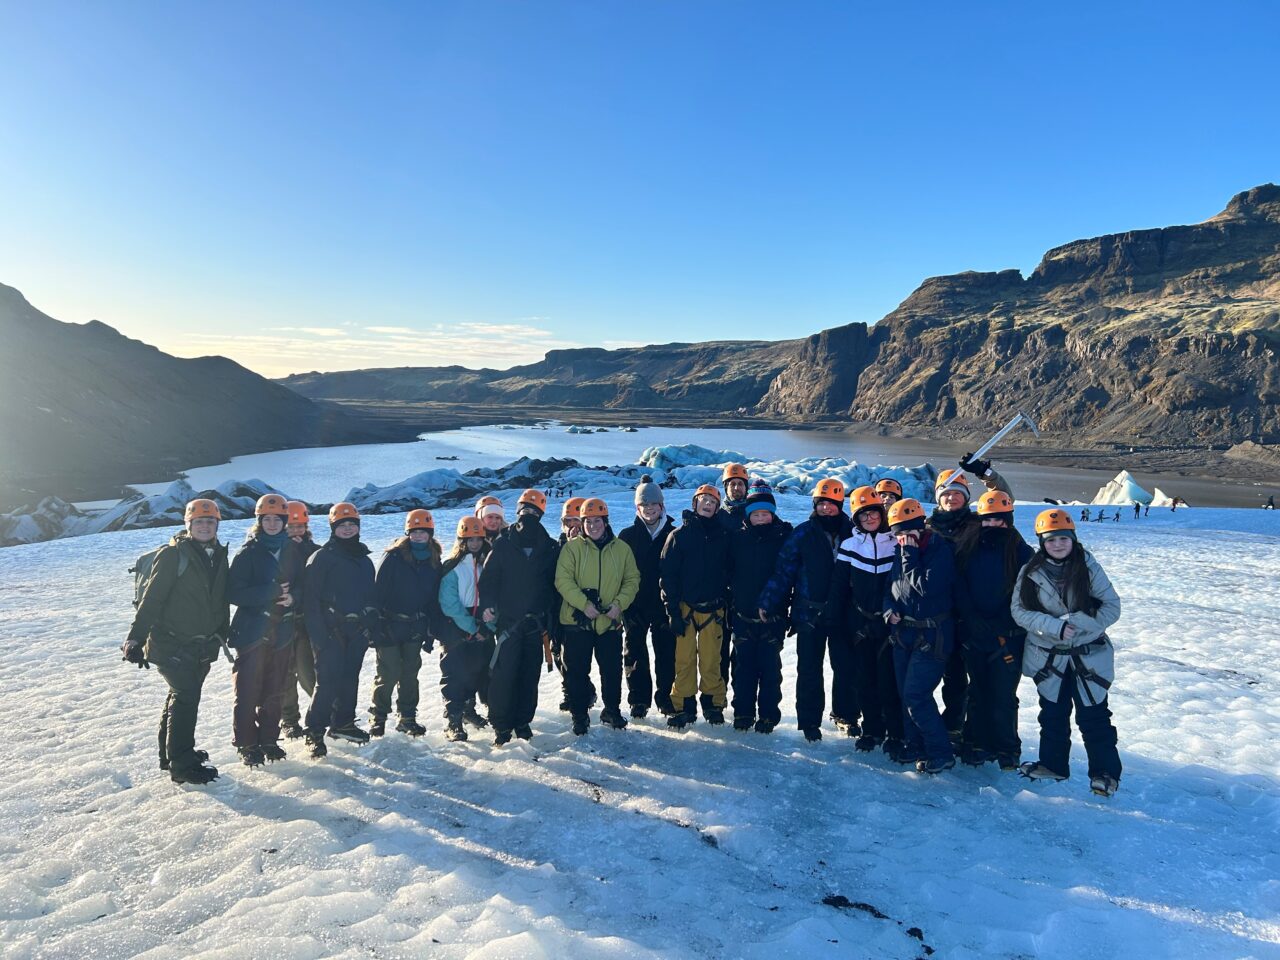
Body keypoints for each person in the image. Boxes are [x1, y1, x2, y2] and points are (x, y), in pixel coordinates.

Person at [1012, 509, 1123, 797]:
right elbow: (1019, 611)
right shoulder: (1030, 571)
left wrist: (1077, 625)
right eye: (1050, 540)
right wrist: (1053, 626)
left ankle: (1105, 773)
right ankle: (1053, 764)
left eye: (1063, 538)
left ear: (1072, 538)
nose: (1057, 544)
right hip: (1049, 657)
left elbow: (1111, 606)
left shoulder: (1087, 566)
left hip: (1088, 656)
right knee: (1052, 714)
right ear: (1041, 542)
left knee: (1094, 716)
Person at [123, 498, 229, 785]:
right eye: (199, 522)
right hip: (171, 643)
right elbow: (152, 600)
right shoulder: (173, 556)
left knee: (179, 696)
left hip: (200, 645)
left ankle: (170, 755)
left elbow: (217, 599)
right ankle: (181, 766)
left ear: (217, 525)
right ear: (189, 525)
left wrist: (224, 632)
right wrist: (135, 638)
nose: (205, 526)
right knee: (186, 697)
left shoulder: (217, 555)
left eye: (210, 521)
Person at [758, 477, 854, 742]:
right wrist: (769, 600)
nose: (826, 509)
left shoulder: (853, 532)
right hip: (807, 614)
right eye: (821, 504)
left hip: (843, 613)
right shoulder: (802, 533)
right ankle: (810, 722)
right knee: (809, 670)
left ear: (840, 504)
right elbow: (784, 571)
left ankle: (845, 715)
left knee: (844, 667)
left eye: (831, 504)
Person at [928, 459, 1013, 741]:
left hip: (972, 612)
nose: (952, 497)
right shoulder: (928, 527)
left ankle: (969, 729)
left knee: (973, 675)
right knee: (948, 672)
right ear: (938, 497)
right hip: (938, 612)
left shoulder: (978, 524)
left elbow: (1004, 500)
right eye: (946, 493)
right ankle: (950, 723)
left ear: (966, 498)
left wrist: (986, 474)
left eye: (958, 493)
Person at [954, 490, 1033, 770]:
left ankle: (1007, 747)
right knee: (977, 691)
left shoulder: (1022, 551)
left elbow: (1026, 593)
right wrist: (971, 618)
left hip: (1008, 636)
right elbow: (959, 585)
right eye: (988, 520)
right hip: (975, 633)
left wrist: (1003, 621)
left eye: (999, 521)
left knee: (1003, 695)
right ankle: (975, 742)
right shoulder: (968, 547)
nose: (993, 525)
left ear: (1008, 521)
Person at [227, 494, 306, 767]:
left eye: (277, 519)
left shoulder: (292, 550)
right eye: (267, 519)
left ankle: (269, 740)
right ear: (259, 521)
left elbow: (302, 584)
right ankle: (247, 744)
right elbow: (234, 592)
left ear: (285, 521)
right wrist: (270, 592)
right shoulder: (248, 552)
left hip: (282, 630)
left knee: (276, 688)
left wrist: (293, 597)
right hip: (252, 632)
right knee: (249, 689)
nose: (272, 523)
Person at [883, 498, 958, 775]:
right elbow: (891, 588)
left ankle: (941, 751)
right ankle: (914, 743)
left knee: (916, 694)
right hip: (904, 634)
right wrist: (888, 610)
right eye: (898, 534)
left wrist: (909, 556)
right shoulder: (901, 553)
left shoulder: (940, 551)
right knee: (906, 693)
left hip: (933, 635)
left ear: (921, 528)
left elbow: (925, 587)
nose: (904, 539)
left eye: (908, 533)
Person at [555, 498, 641, 733]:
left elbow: (632, 580)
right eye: (588, 521)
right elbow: (562, 580)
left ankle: (611, 710)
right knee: (576, 672)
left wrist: (618, 605)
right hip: (577, 622)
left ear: (606, 521)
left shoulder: (621, 549)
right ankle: (579, 715)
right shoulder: (572, 548)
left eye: (597, 521)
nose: (593, 526)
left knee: (611, 670)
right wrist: (583, 604)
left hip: (609, 622)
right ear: (582, 523)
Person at [479, 488, 558, 744]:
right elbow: (489, 579)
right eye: (525, 510)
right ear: (517, 512)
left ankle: (523, 721)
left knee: (528, 674)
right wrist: (488, 604)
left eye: (534, 512)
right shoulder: (503, 543)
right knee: (504, 676)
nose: (528, 516)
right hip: (509, 623)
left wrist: (551, 618)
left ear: (541, 514)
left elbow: (554, 584)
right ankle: (502, 725)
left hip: (536, 624)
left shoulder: (549, 546)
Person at [302, 502, 379, 757]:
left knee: (350, 679)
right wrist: (319, 637)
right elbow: (310, 601)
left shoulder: (364, 560)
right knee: (327, 682)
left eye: (351, 524)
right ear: (333, 528)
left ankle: (342, 723)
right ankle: (314, 731)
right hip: (330, 631)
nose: (347, 529)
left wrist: (369, 624)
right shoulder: (322, 558)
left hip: (356, 631)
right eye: (342, 525)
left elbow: (371, 595)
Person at [832, 485, 901, 755]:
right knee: (865, 680)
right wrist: (835, 618)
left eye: (873, 513)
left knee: (889, 681)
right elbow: (839, 586)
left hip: (889, 624)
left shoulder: (896, 542)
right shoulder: (850, 546)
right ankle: (872, 729)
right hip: (860, 624)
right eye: (863, 516)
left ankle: (895, 732)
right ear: (856, 519)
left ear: (881, 514)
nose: (869, 519)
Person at [660, 484, 731, 728]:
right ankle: (683, 706)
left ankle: (713, 705)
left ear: (718, 507)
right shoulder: (678, 536)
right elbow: (667, 576)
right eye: (704, 500)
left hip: (714, 609)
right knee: (684, 660)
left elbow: (731, 572)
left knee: (712, 661)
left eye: (713, 501)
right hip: (685, 608)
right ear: (695, 504)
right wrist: (672, 613)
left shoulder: (724, 536)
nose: (708, 504)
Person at [369, 509, 443, 738]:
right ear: (407, 533)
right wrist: (376, 626)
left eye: (423, 532)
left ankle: (407, 717)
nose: (419, 536)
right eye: (414, 531)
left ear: (430, 534)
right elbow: (377, 591)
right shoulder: (393, 557)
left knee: (410, 673)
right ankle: (378, 717)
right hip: (390, 624)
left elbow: (433, 598)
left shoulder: (433, 559)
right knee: (389, 672)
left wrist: (430, 630)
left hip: (416, 626)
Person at [726, 480, 791, 733]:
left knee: (770, 670)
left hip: (772, 618)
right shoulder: (738, 538)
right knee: (742, 670)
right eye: (756, 514)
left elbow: (787, 575)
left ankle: (767, 716)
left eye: (765, 514)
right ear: (748, 515)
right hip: (742, 614)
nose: (761, 519)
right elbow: (727, 571)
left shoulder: (784, 536)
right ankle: (742, 713)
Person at [618, 476, 677, 717]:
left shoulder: (674, 533)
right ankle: (639, 700)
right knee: (634, 653)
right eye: (644, 505)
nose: (649, 509)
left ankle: (666, 698)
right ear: (637, 508)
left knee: (667, 653)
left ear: (662, 506)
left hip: (664, 605)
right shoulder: (627, 535)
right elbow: (618, 571)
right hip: (635, 604)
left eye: (654, 504)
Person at [437, 516, 493, 741]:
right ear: (461, 540)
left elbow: (494, 598)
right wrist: (471, 627)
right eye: (469, 539)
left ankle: (469, 711)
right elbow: (449, 603)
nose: (474, 543)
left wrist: (488, 627)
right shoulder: (452, 567)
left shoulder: (487, 563)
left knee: (477, 671)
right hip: (457, 627)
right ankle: (453, 720)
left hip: (481, 624)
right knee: (455, 674)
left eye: (478, 539)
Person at [280, 500, 320, 739]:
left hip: (306, 620)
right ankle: (289, 720)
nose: (295, 531)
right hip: (281, 621)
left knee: (308, 672)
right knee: (285, 673)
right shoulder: (274, 552)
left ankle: (317, 714)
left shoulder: (315, 550)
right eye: (290, 527)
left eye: (299, 526)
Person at [552, 496, 594, 712]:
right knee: (560, 655)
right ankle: (572, 691)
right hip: (559, 610)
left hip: (585, 612)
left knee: (576, 660)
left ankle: (582, 692)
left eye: (577, 521)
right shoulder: (555, 547)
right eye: (569, 521)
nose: (573, 527)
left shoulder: (594, 548)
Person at [717, 463, 751, 684]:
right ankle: (718, 699)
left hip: (744, 591)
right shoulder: (716, 516)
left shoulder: (754, 515)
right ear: (726, 488)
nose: (736, 488)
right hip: (719, 591)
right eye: (732, 484)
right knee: (718, 649)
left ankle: (740, 701)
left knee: (740, 651)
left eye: (740, 484)